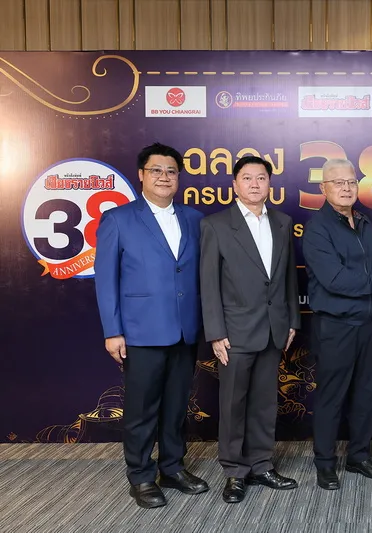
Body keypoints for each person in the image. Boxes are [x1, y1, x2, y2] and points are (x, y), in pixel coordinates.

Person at [94, 142, 208, 508]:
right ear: (141, 175)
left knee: (176, 406)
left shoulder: (195, 219)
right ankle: (141, 476)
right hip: (140, 331)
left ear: (179, 178)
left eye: (171, 171)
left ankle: (172, 467)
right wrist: (113, 331)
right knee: (142, 410)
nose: (164, 177)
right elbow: (106, 280)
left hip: (185, 330)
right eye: (156, 170)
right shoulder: (118, 219)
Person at [200, 156, 300, 503]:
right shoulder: (215, 225)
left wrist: (292, 320)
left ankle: (261, 464)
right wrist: (216, 332)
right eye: (247, 178)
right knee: (233, 404)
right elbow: (208, 283)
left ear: (270, 183)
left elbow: (288, 277)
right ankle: (234, 471)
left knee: (264, 403)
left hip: (274, 328)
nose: (255, 184)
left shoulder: (283, 222)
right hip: (234, 331)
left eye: (261, 178)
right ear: (235, 185)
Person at [302, 158, 372, 490]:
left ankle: (359, 457)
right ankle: (325, 463)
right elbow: (334, 279)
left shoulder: (362, 221)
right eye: (338, 182)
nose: (346, 188)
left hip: (367, 323)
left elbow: (368, 264)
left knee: (365, 394)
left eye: (351, 182)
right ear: (324, 188)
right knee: (332, 397)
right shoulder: (317, 228)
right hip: (336, 325)